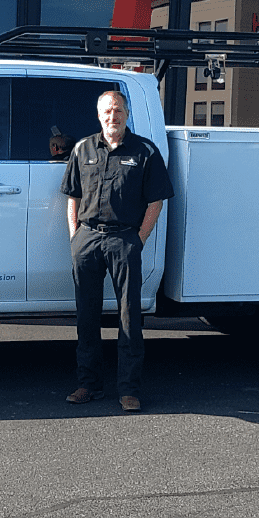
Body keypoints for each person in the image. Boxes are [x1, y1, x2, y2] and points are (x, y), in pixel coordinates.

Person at [60, 89, 173, 412]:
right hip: (88, 239)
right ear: (99, 116)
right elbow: (73, 196)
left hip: (124, 241)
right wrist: (75, 237)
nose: (113, 116)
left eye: (118, 110)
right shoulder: (83, 149)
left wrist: (139, 239)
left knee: (128, 318)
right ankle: (88, 384)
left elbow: (156, 200)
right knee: (86, 316)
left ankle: (129, 389)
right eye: (107, 111)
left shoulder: (144, 152)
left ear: (126, 114)